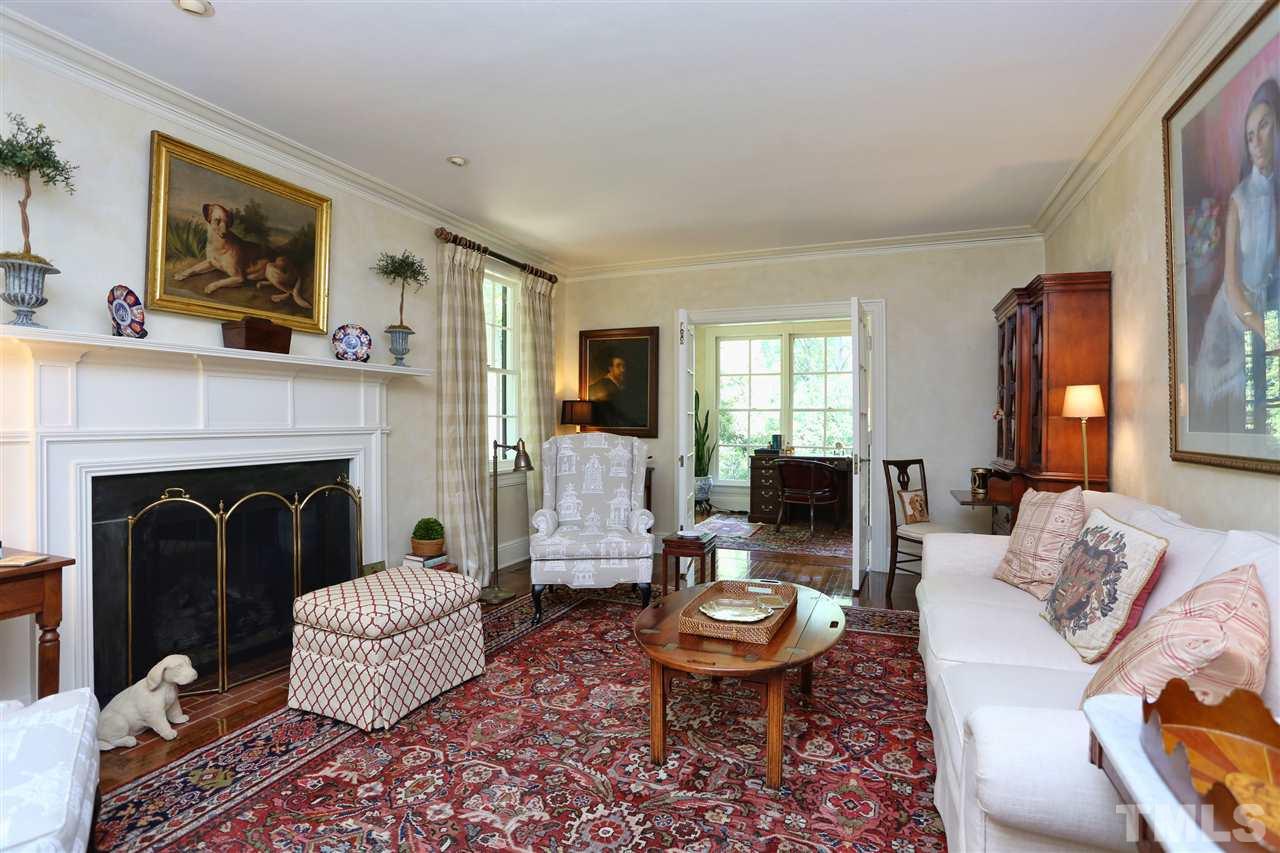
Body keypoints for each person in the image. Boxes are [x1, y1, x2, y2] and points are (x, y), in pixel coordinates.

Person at [1193, 78, 1279, 432]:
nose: (1256, 140)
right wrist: (1266, 330)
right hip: (1234, 316)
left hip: (1266, 306)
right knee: (1252, 415)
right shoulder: (1239, 200)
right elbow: (1231, 285)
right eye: (1249, 135)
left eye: (1264, 126)